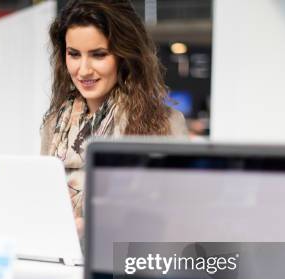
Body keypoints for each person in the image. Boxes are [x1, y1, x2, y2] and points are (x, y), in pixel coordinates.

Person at [40, 0, 187, 233]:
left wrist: (90, 228)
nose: (84, 70)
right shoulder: (55, 125)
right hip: (61, 262)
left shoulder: (165, 123)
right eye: (74, 54)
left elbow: (174, 216)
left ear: (124, 55)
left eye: (99, 55)